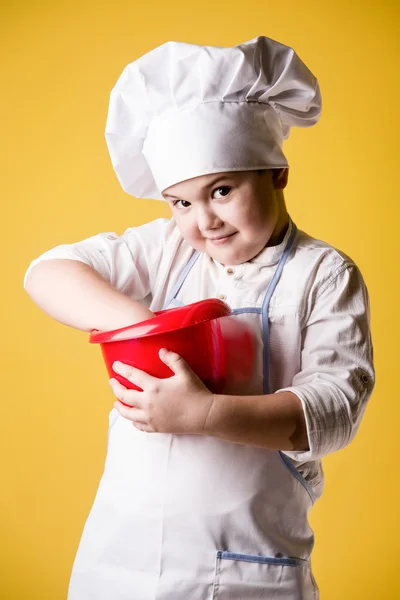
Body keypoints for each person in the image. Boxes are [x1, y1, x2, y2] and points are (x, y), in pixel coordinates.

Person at [23, 35, 375, 599]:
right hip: (121, 564)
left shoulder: (324, 274)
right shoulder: (167, 251)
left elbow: (331, 411)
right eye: (182, 202)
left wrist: (206, 413)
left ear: (276, 171)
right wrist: (146, 325)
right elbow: (48, 272)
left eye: (222, 190)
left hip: (244, 568)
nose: (204, 220)